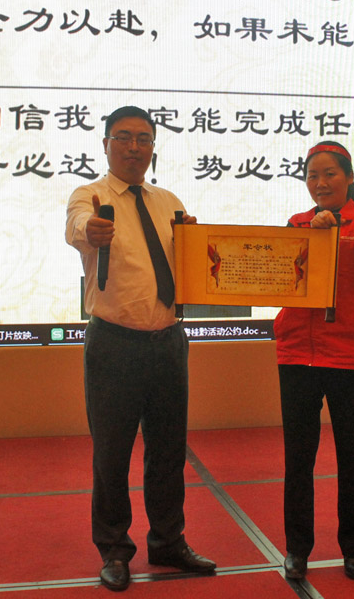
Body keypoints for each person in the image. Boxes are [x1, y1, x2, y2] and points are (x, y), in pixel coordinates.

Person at [65, 106, 216, 592]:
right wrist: (91, 230)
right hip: (115, 344)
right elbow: (78, 226)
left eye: (144, 139)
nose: (134, 147)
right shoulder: (90, 196)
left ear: (153, 146)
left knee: (169, 452)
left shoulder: (168, 201)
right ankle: (114, 550)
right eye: (124, 137)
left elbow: (188, 264)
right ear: (106, 144)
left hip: (169, 342)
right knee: (111, 455)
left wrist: (197, 241)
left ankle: (168, 542)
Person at [274, 141, 354, 582]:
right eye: (313, 175)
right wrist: (314, 233)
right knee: (298, 459)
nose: (321, 182)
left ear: (348, 178)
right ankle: (297, 549)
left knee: (353, 458)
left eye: (330, 174)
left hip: (351, 357)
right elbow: (286, 267)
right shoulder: (297, 223)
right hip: (297, 356)